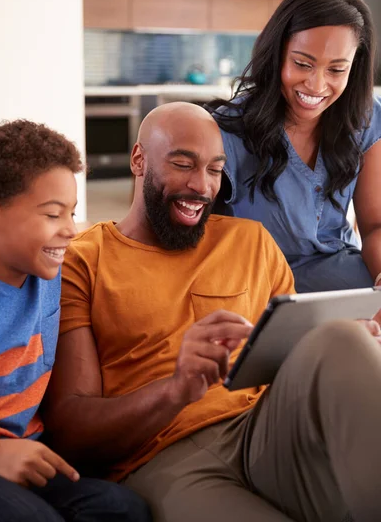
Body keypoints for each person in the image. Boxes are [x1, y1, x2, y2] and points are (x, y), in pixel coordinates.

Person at [44, 102, 381, 522]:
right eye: (183, 164)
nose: (201, 186)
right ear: (138, 160)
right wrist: (176, 388)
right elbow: (72, 428)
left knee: (344, 338)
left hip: (263, 430)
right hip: (163, 458)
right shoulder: (83, 261)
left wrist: (351, 342)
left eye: (215, 170)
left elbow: (294, 358)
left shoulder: (252, 242)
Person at [0, 120, 151, 522]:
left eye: (72, 213)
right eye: (53, 214)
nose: (70, 231)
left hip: (29, 450)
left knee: (122, 509)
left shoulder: (53, 270)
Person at [206, 0, 381, 293]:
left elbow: (375, 226)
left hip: (345, 283)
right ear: (278, 53)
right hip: (256, 290)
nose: (316, 85)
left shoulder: (365, 117)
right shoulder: (224, 129)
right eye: (303, 64)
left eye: (337, 70)